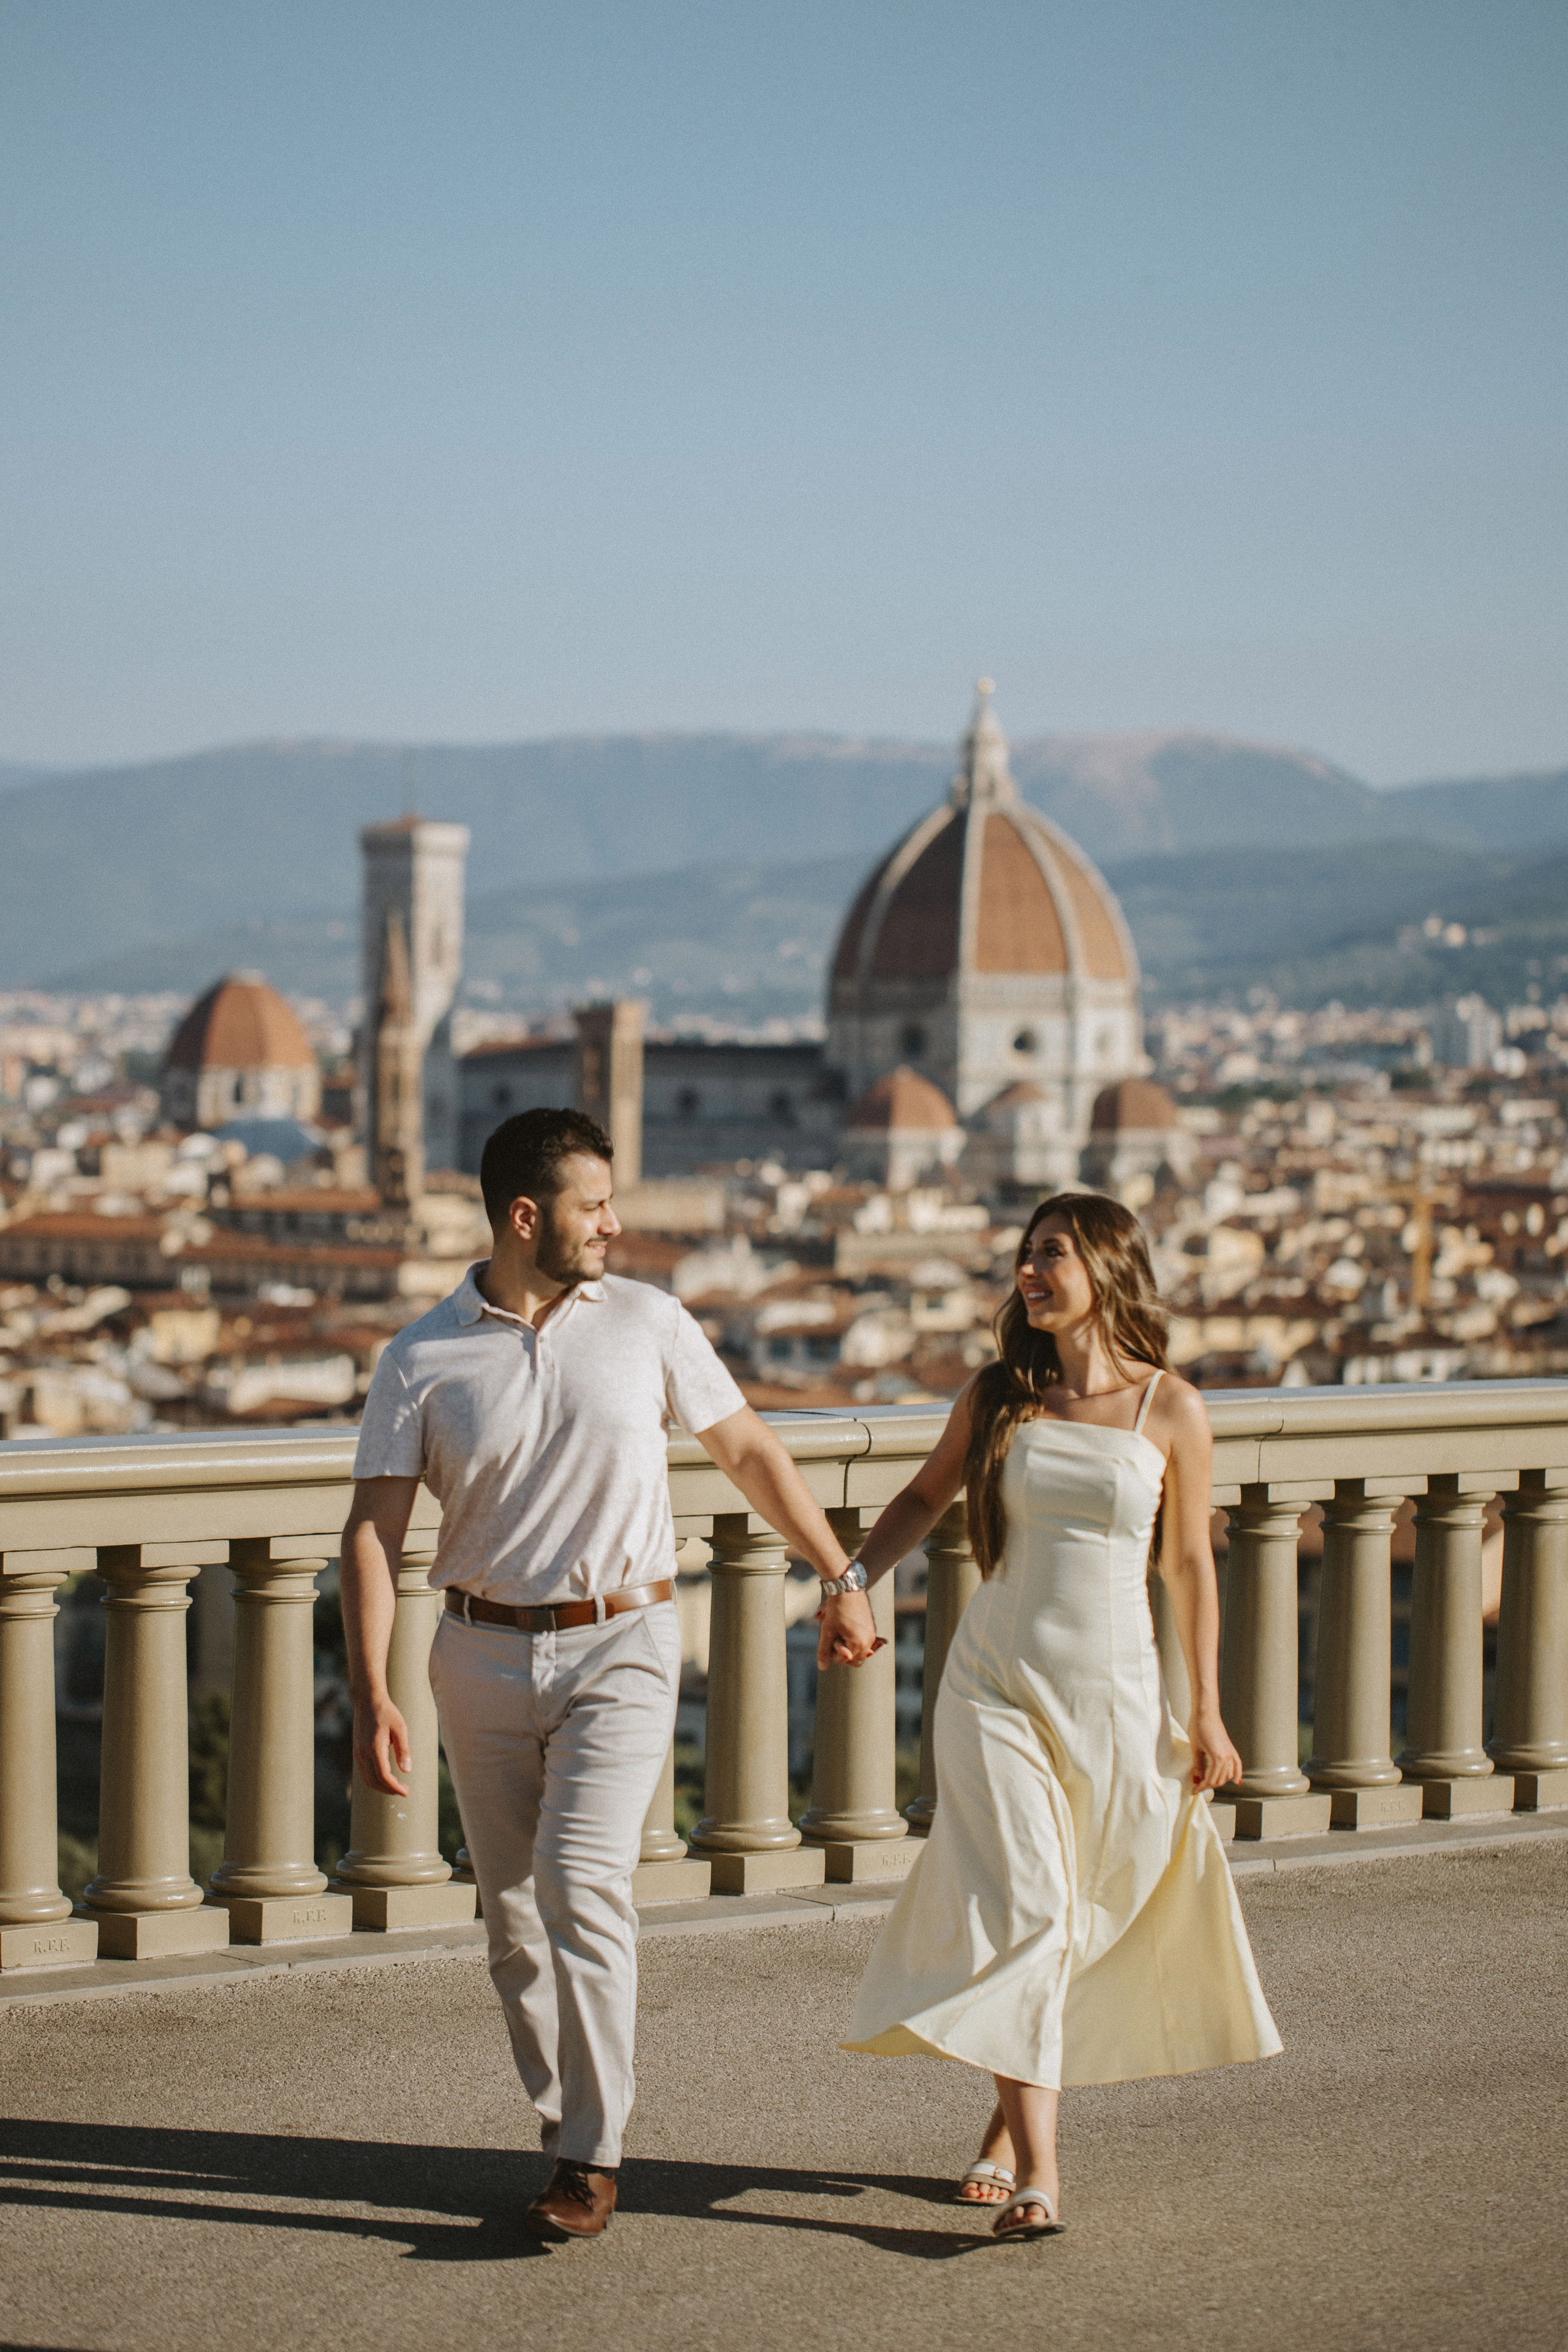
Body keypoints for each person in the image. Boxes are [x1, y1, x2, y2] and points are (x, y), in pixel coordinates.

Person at [341, 1107, 878, 2241]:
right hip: (476, 1651)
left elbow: (753, 1453)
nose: (615, 1223)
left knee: (583, 1882)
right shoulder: (421, 1356)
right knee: (512, 1922)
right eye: (595, 1205)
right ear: (526, 1216)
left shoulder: (650, 1320)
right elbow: (373, 1535)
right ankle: (564, 2129)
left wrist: (840, 1574)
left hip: (622, 1639)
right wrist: (374, 1693)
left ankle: (591, 2156)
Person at [840, 1191, 1281, 2241]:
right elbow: (921, 1498)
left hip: (1119, 1694)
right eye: (1025, 1255)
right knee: (1030, 1903)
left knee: (1081, 1913)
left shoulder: (1170, 1408)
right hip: (993, 1681)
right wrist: (848, 1577)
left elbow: (1187, 1567)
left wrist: (1207, 1713)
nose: (1029, 1272)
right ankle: (1042, 2172)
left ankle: (1003, 2125)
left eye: (1052, 1255)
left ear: (1109, 1268)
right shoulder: (1002, 1394)